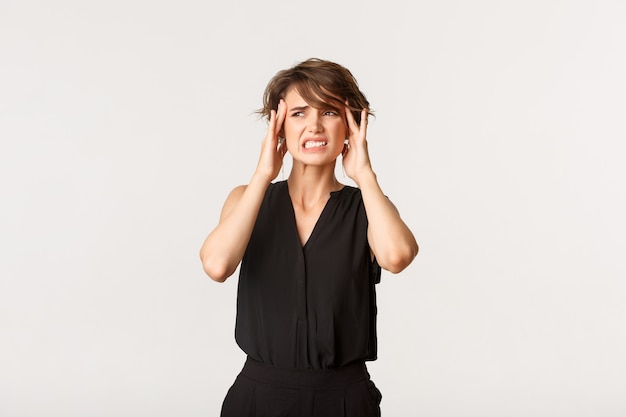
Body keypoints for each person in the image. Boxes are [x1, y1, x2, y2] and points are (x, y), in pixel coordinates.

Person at [199, 58, 418, 417]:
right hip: (257, 398)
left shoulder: (368, 208)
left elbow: (397, 256)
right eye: (299, 113)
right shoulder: (246, 199)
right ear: (279, 125)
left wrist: (364, 173)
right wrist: (262, 175)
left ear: (351, 126)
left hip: (344, 399)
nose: (314, 126)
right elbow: (217, 265)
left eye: (330, 112)